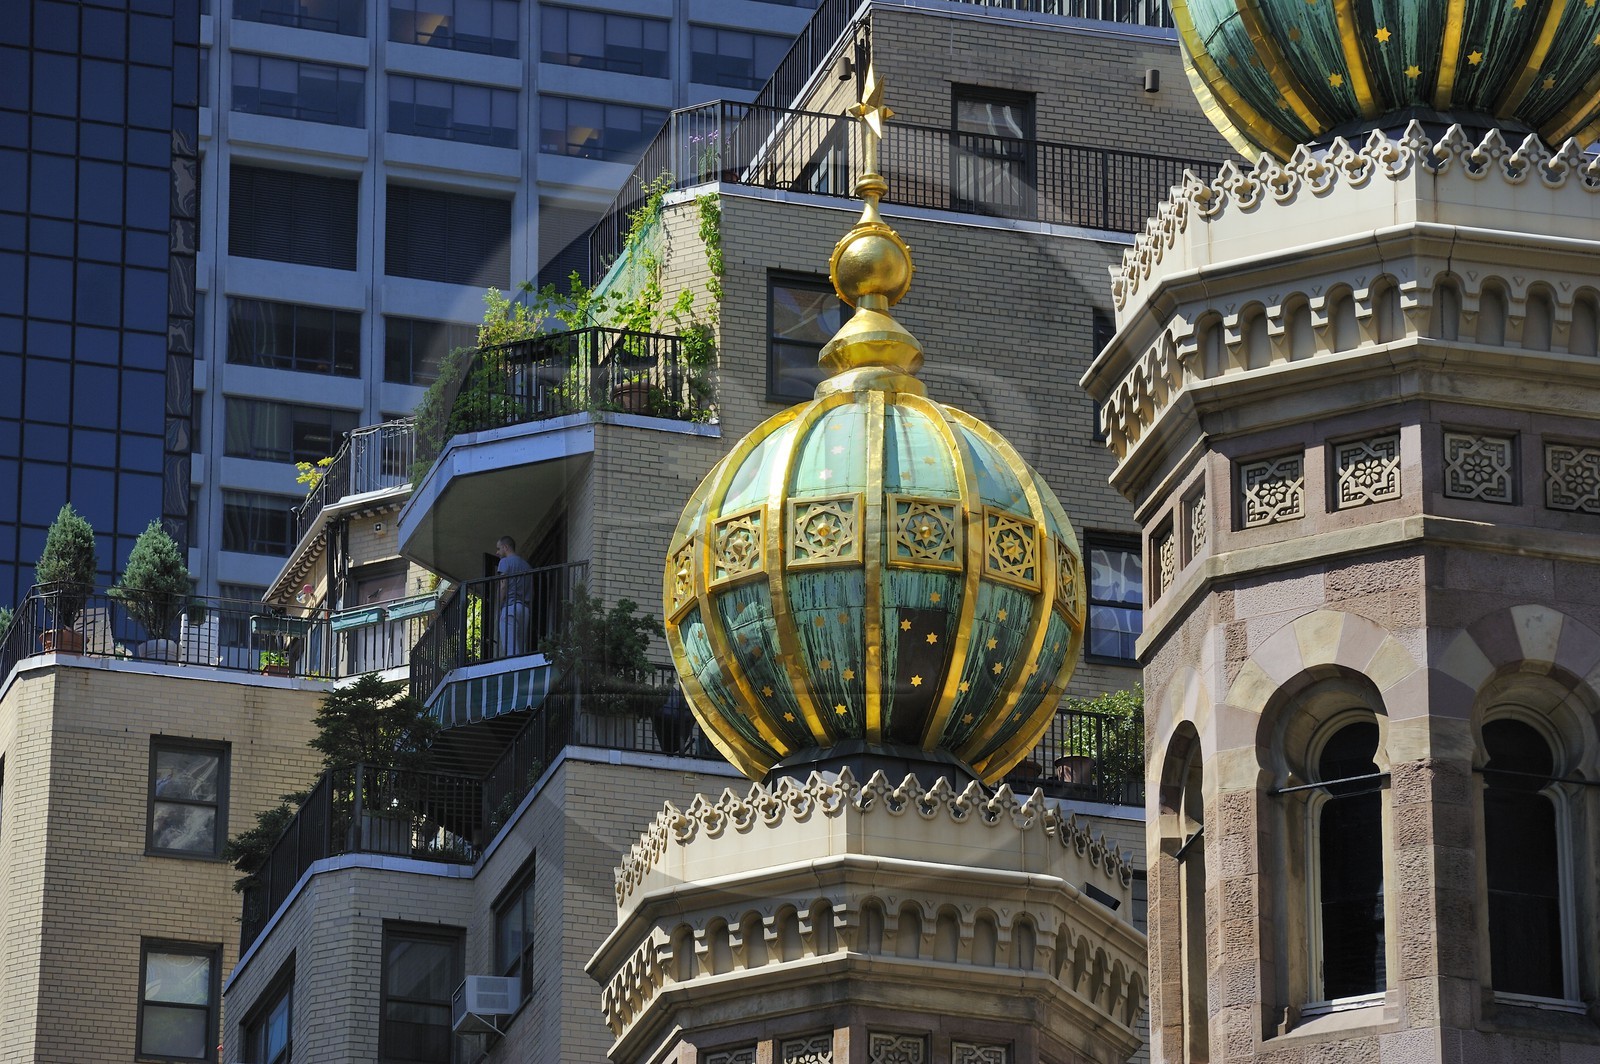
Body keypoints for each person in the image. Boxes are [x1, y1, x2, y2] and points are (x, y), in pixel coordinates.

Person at [494, 535, 533, 657]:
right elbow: (532, 592)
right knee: (521, 648)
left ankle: (513, 673)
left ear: (505, 547)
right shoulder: (527, 566)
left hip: (510, 608)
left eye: (499, 548)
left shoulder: (504, 562)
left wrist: (498, 606)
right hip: (524, 610)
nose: (497, 552)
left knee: (511, 650)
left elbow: (503, 585)